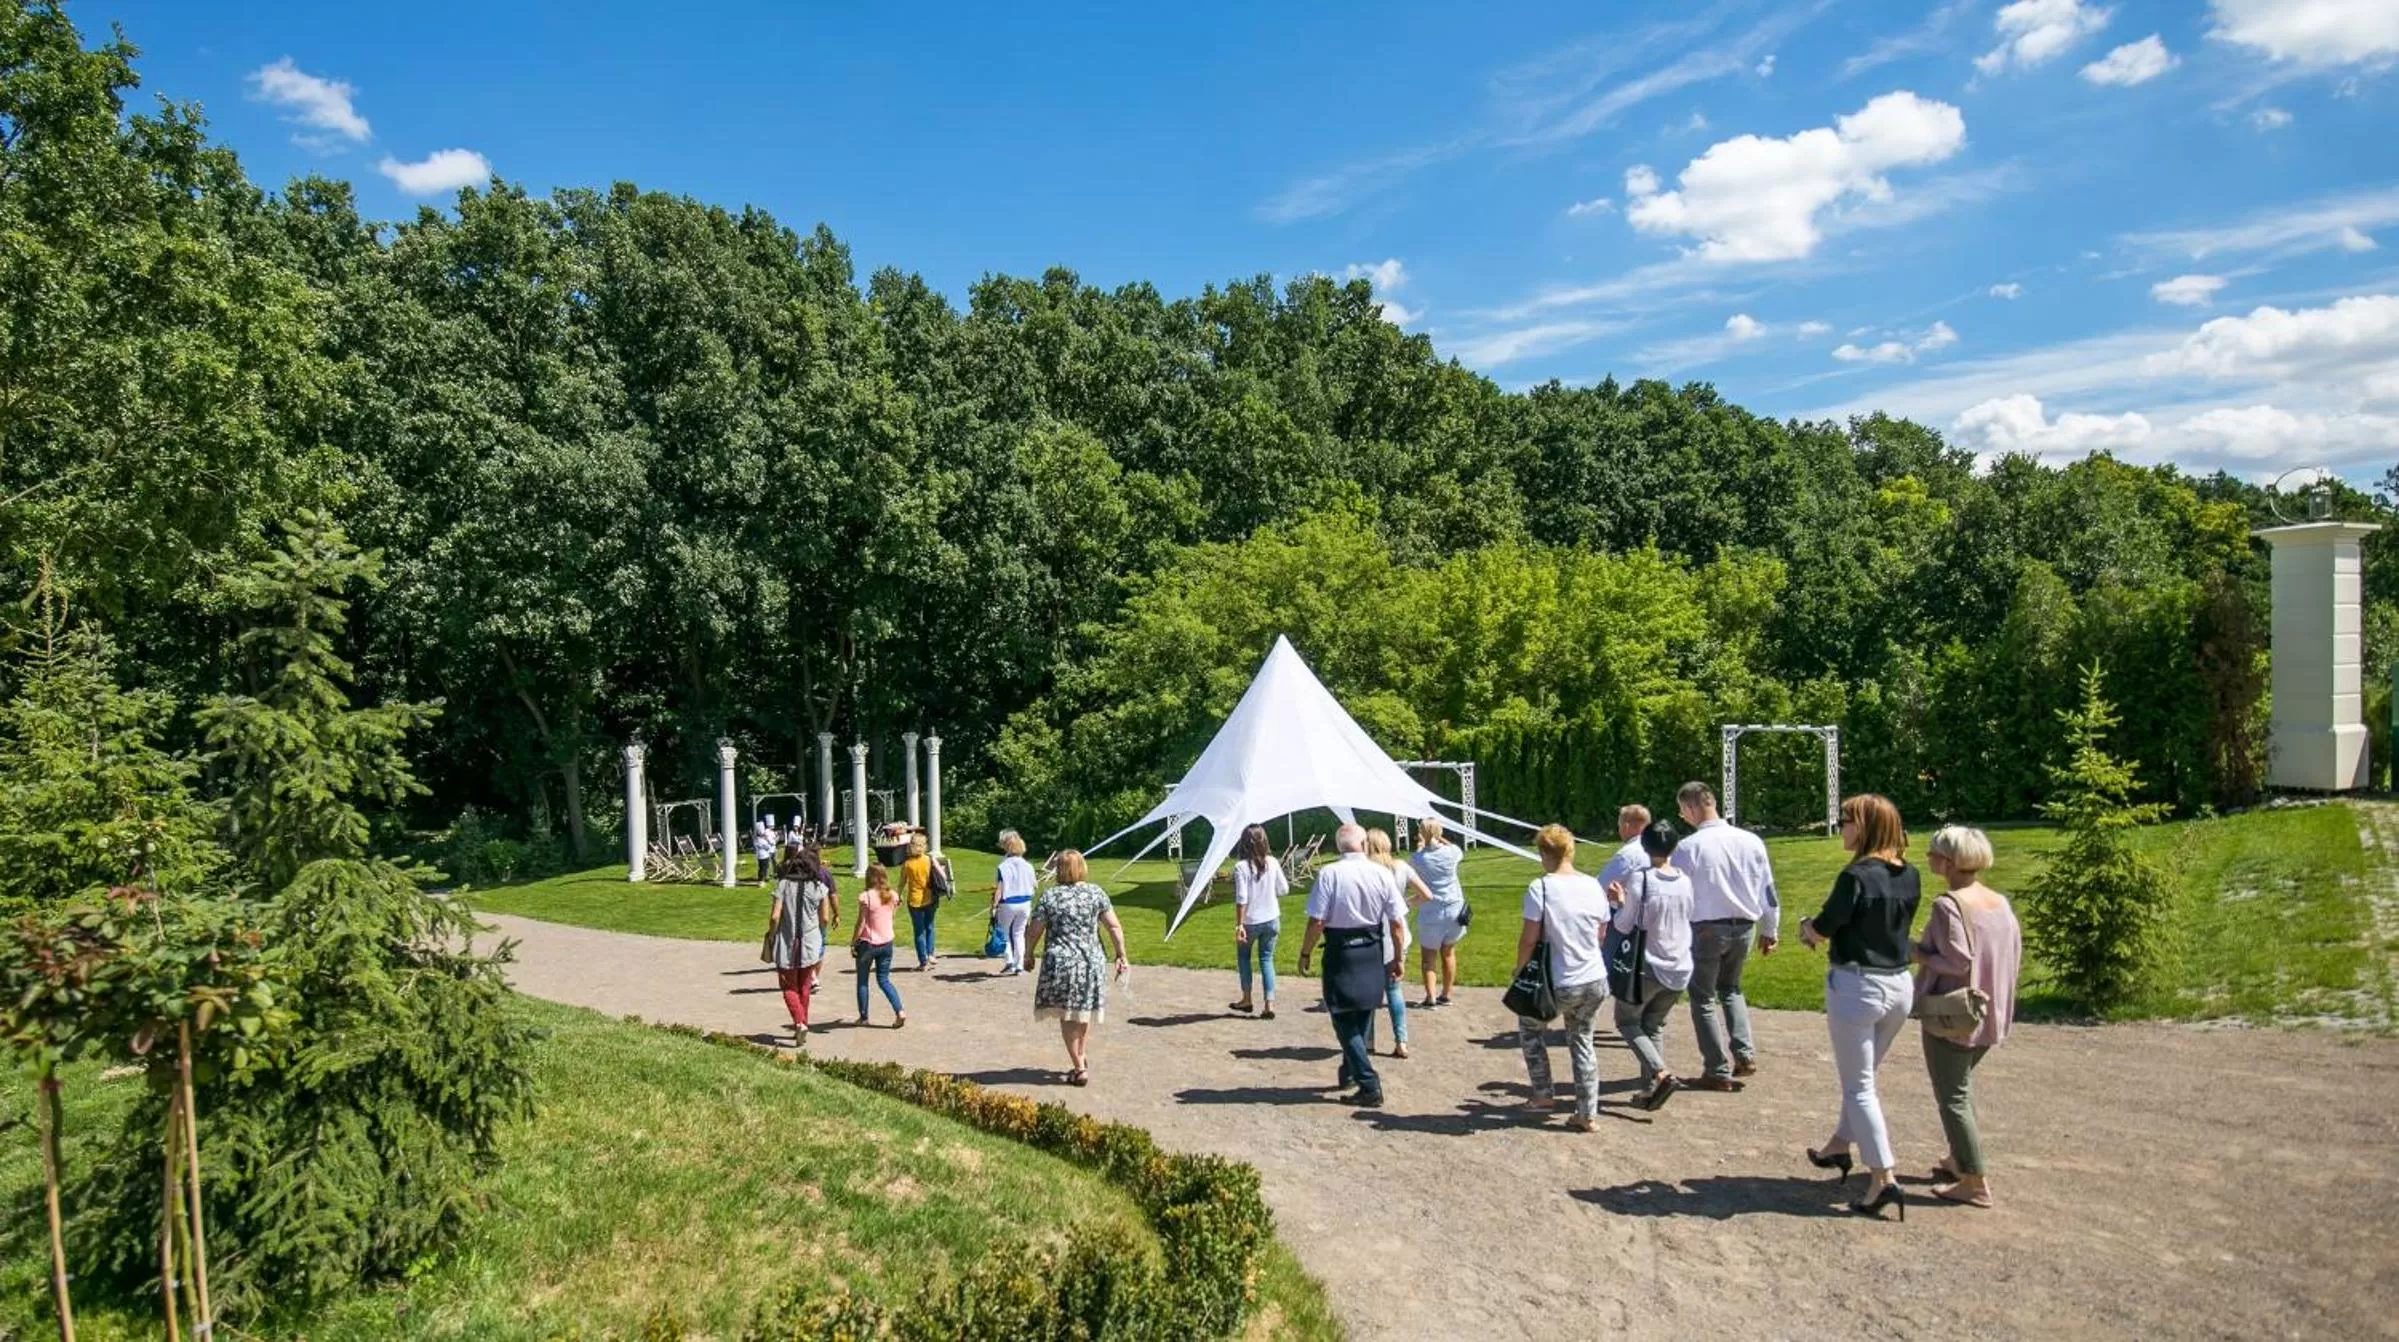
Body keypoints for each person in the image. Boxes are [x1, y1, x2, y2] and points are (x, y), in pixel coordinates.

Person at [1799, 793, 1921, 1220]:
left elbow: (1826, 925)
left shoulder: (1856, 876)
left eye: (1846, 820)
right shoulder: (1910, 874)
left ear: (1866, 826)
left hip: (1858, 985)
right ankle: (1838, 1145)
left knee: (1860, 1086)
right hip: (1899, 984)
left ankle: (1883, 1178)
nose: (1842, 827)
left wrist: (1806, 931)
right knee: (1863, 1078)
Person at [1913, 825, 2021, 1209]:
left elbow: (1957, 960)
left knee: (1953, 1097)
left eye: (1932, 852)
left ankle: (1974, 1181)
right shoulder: (1998, 902)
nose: (1927, 858)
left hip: (1954, 1015)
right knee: (1961, 1087)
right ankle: (1960, 1158)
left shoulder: (1949, 905)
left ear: (1947, 861)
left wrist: (1916, 952)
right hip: (1991, 1013)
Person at [1673, 781, 1780, 1090]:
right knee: (1731, 989)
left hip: (1707, 928)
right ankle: (1744, 1052)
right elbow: (1768, 892)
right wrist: (1770, 929)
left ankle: (1716, 1068)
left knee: (1703, 996)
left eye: (1683, 811)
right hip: (1744, 927)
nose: (1684, 817)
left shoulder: (1689, 847)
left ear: (1692, 807)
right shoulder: (1751, 841)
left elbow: (1680, 893)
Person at [1295, 824, 1408, 1108]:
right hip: (1372, 948)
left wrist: (1305, 952)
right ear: (1363, 843)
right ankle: (1349, 1072)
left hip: (1341, 950)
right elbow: (1396, 922)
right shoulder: (1381, 873)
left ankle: (1369, 1084)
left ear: (1338, 846)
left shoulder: (1330, 874)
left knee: (1343, 1019)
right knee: (1361, 1013)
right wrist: (1398, 958)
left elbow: (1317, 921)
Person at [1511, 824, 1614, 1131]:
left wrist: (1520, 969)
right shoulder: (1593, 885)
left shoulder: (1541, 887)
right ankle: (1587, 1111)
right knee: (1582, 1040)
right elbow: (1601, 933)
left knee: (1530, 1030)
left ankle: (1543, 1093)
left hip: (1560, 977)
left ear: (1544, 853)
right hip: (1594, 976)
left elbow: (1529, 938)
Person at [1608, 820, 1695, 1112]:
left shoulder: (1641, 879)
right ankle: (1650, 1088)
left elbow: (1624, 923)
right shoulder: (1684, 879)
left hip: (1649, 963)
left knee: (1626, 1020)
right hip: (1680, 963)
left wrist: (1620, 902)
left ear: (1644, 847)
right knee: (1653, 1024)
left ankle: (1660, 1073)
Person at [1026, 849, 1130, 1086]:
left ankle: (1079, 1066)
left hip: (1061, 963)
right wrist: (1121, 954)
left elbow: (1035, 930)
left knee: (1067, 1016)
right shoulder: (1096, 893)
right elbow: (1113, 927)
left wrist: (1028, 954)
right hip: (1090, 962)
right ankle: (1080, 1056)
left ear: (1059, 870)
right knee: (1082, 1012)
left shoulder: (1051, 897)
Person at [767, 842, 840, 1043]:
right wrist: (817, 931)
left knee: (789, 986)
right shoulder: (819, 887)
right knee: (805, 986)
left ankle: (799, 1022)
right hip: (810, 942)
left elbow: (775, 917)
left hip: (787, 941)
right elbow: (824, 918)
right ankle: (803, 1022)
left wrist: (772, 934)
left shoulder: (783, 885)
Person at [1363, 828, 1422, 1058]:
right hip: (1397, 933)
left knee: (1369, 991)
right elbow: (1426, 894)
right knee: (1394, 989)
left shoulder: (1366, 871)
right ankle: (1401, 1041)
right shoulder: (1401, 867)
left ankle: (1369, 1041)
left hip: (1374, 934)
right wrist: (1405, 904)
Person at [1409, 816, 1470, 1009]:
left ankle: (1431, 997)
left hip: (1431, 911)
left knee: (1428, 957)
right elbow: (1453, 847)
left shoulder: (1418, 858)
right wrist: (1438, 838)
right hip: (1454, 907)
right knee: (1449, 952)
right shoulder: (1452, 852)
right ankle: (1446, 994)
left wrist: (1424, 842)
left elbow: (1417, 862)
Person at [1228, 824, 1288, 1018]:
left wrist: (1239, 924)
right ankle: (1269, 1004)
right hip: (1272, 919)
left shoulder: (1241, 867)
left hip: (1251, 921)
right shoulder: (1273, 862)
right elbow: (1283, 889)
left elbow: (1241, 898)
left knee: (1244, 958)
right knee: (1266, 959)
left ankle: (1246, 998)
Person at [851, 864, 906, 1027]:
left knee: (862, 981)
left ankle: (864, 1016)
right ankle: (900, 1010)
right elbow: (892, 916)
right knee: (884, 980)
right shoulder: (892, 895)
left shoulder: (866, 897)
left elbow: (861, 923)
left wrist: (853, 941)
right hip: (887, 942)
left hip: (868, 943)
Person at [990, 829, 1039, 976]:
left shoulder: (1004, 866)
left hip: (1008, 902)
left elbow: (1000, 888)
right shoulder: (1028, 865)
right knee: (1019, 933)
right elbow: (1035, 885)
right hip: (1025, 903)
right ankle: (1019, 965)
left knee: (1004, 933)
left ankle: (1010, 961)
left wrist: (994, 905)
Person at [1595, 804, 1652, 901]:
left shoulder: (1627, 854)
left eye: (1619, 826)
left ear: (1626, 826)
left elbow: (1600, 887)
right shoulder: (1659, 848)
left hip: (1629, 910)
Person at [901, 834, 939, 971]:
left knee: (919, 932)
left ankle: (923, 961)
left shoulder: (907, 864)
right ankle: (930, 954)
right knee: (930, 926)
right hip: (930, 897)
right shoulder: (928, 860)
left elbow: (902, 882)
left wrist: (898, 895)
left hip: (914, 900)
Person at [753, 818, 777, 886]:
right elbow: (767, 846)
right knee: (763, 868)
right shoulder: (760, 840)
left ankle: (762, 879)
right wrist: (768, 841)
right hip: (763, 855)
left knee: (763, 867)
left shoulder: (757, 840)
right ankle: (761, 880)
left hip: (762, 855)